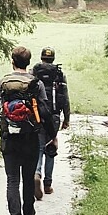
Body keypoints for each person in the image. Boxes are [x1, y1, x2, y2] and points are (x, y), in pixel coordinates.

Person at [0, 46, 53, 215]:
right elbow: (44, 111)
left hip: (9, 137)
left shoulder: (2, 82)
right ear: (29, 61)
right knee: (27, 178)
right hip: (30, 138)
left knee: (12, 180)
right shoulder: (36, 83)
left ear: (12, 61)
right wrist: (52, 136)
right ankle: (28, 214)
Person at [31, 47, 71, 198]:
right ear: (53, 59)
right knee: (51, 149)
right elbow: (65, 98)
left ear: (41, 58)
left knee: (39, 147)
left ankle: (36, 173)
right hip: (54, 116)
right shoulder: (59, 74)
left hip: (37, 115)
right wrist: (66, 118)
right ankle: (47, 185)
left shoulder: (33, 72)